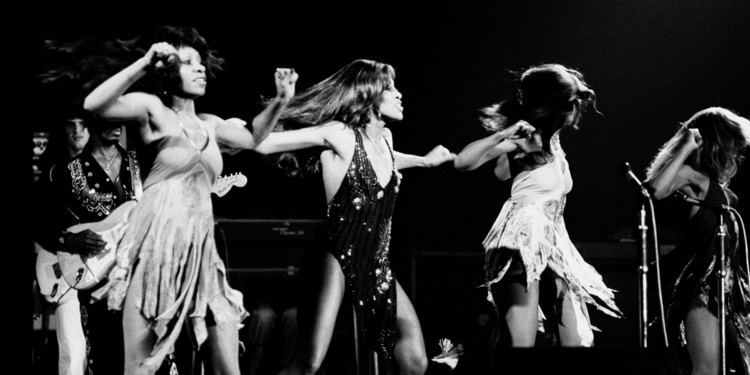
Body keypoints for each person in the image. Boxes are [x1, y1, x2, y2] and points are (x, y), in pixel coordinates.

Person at [80, 25, 298, 375]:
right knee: (139, 367)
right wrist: (144, 62)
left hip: (201, 256)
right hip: (156, 253)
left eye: (201, 63)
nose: (200, 69)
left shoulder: (211, 125)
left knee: (227, 365)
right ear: (167, 72)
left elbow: (252, 137)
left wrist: (282, 101)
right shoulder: (153, 110)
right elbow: (94, 104)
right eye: (188, 62)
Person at [252, 58, 455, 375]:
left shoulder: (385, 138)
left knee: (415, 361)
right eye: (390, 88)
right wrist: (280, 100)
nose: (400, 94)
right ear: (369, 93)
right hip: (335, 256)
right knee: (307, 364)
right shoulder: (339, 134)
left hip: (375, 261)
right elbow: (263, 145)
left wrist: (425, 162)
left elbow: (387, 161)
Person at [453, 64, 622, 352]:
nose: (575, 109)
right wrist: (503, 136)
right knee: (521, 342)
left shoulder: (552, 140)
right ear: (553, 103)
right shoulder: (524, 135)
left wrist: (516, 163)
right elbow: (462, 162)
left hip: (555, 242)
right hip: (522, 238)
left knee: (579, 339)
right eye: (570, 102)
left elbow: (501, 173)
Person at [645, 107, 750, 375]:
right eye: (733, 150)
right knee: (707, 368)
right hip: (703, 287)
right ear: (718, 146)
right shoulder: (693, 177)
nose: (737, 158)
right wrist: (685, 147)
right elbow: (655, 190)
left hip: (730, 288)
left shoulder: (719, 187)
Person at [36, 113, 140, 375]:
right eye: (108, 118)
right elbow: (39, 221)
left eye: (120, 118)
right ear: (91, 121)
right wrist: (70, 239)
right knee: (85, 357)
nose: (116, 125)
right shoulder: (66, 171)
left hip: (133, 274)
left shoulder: (138, 164)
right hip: (89, 279)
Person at [33, 114, 91, 375]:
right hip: (63, 268)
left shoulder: (106, 171)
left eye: (83, 125)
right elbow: (38, 225)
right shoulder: (53, 172)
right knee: (73, 354)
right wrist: (66, 240)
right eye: (71, 124)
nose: (77, 131)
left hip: (97, 269)